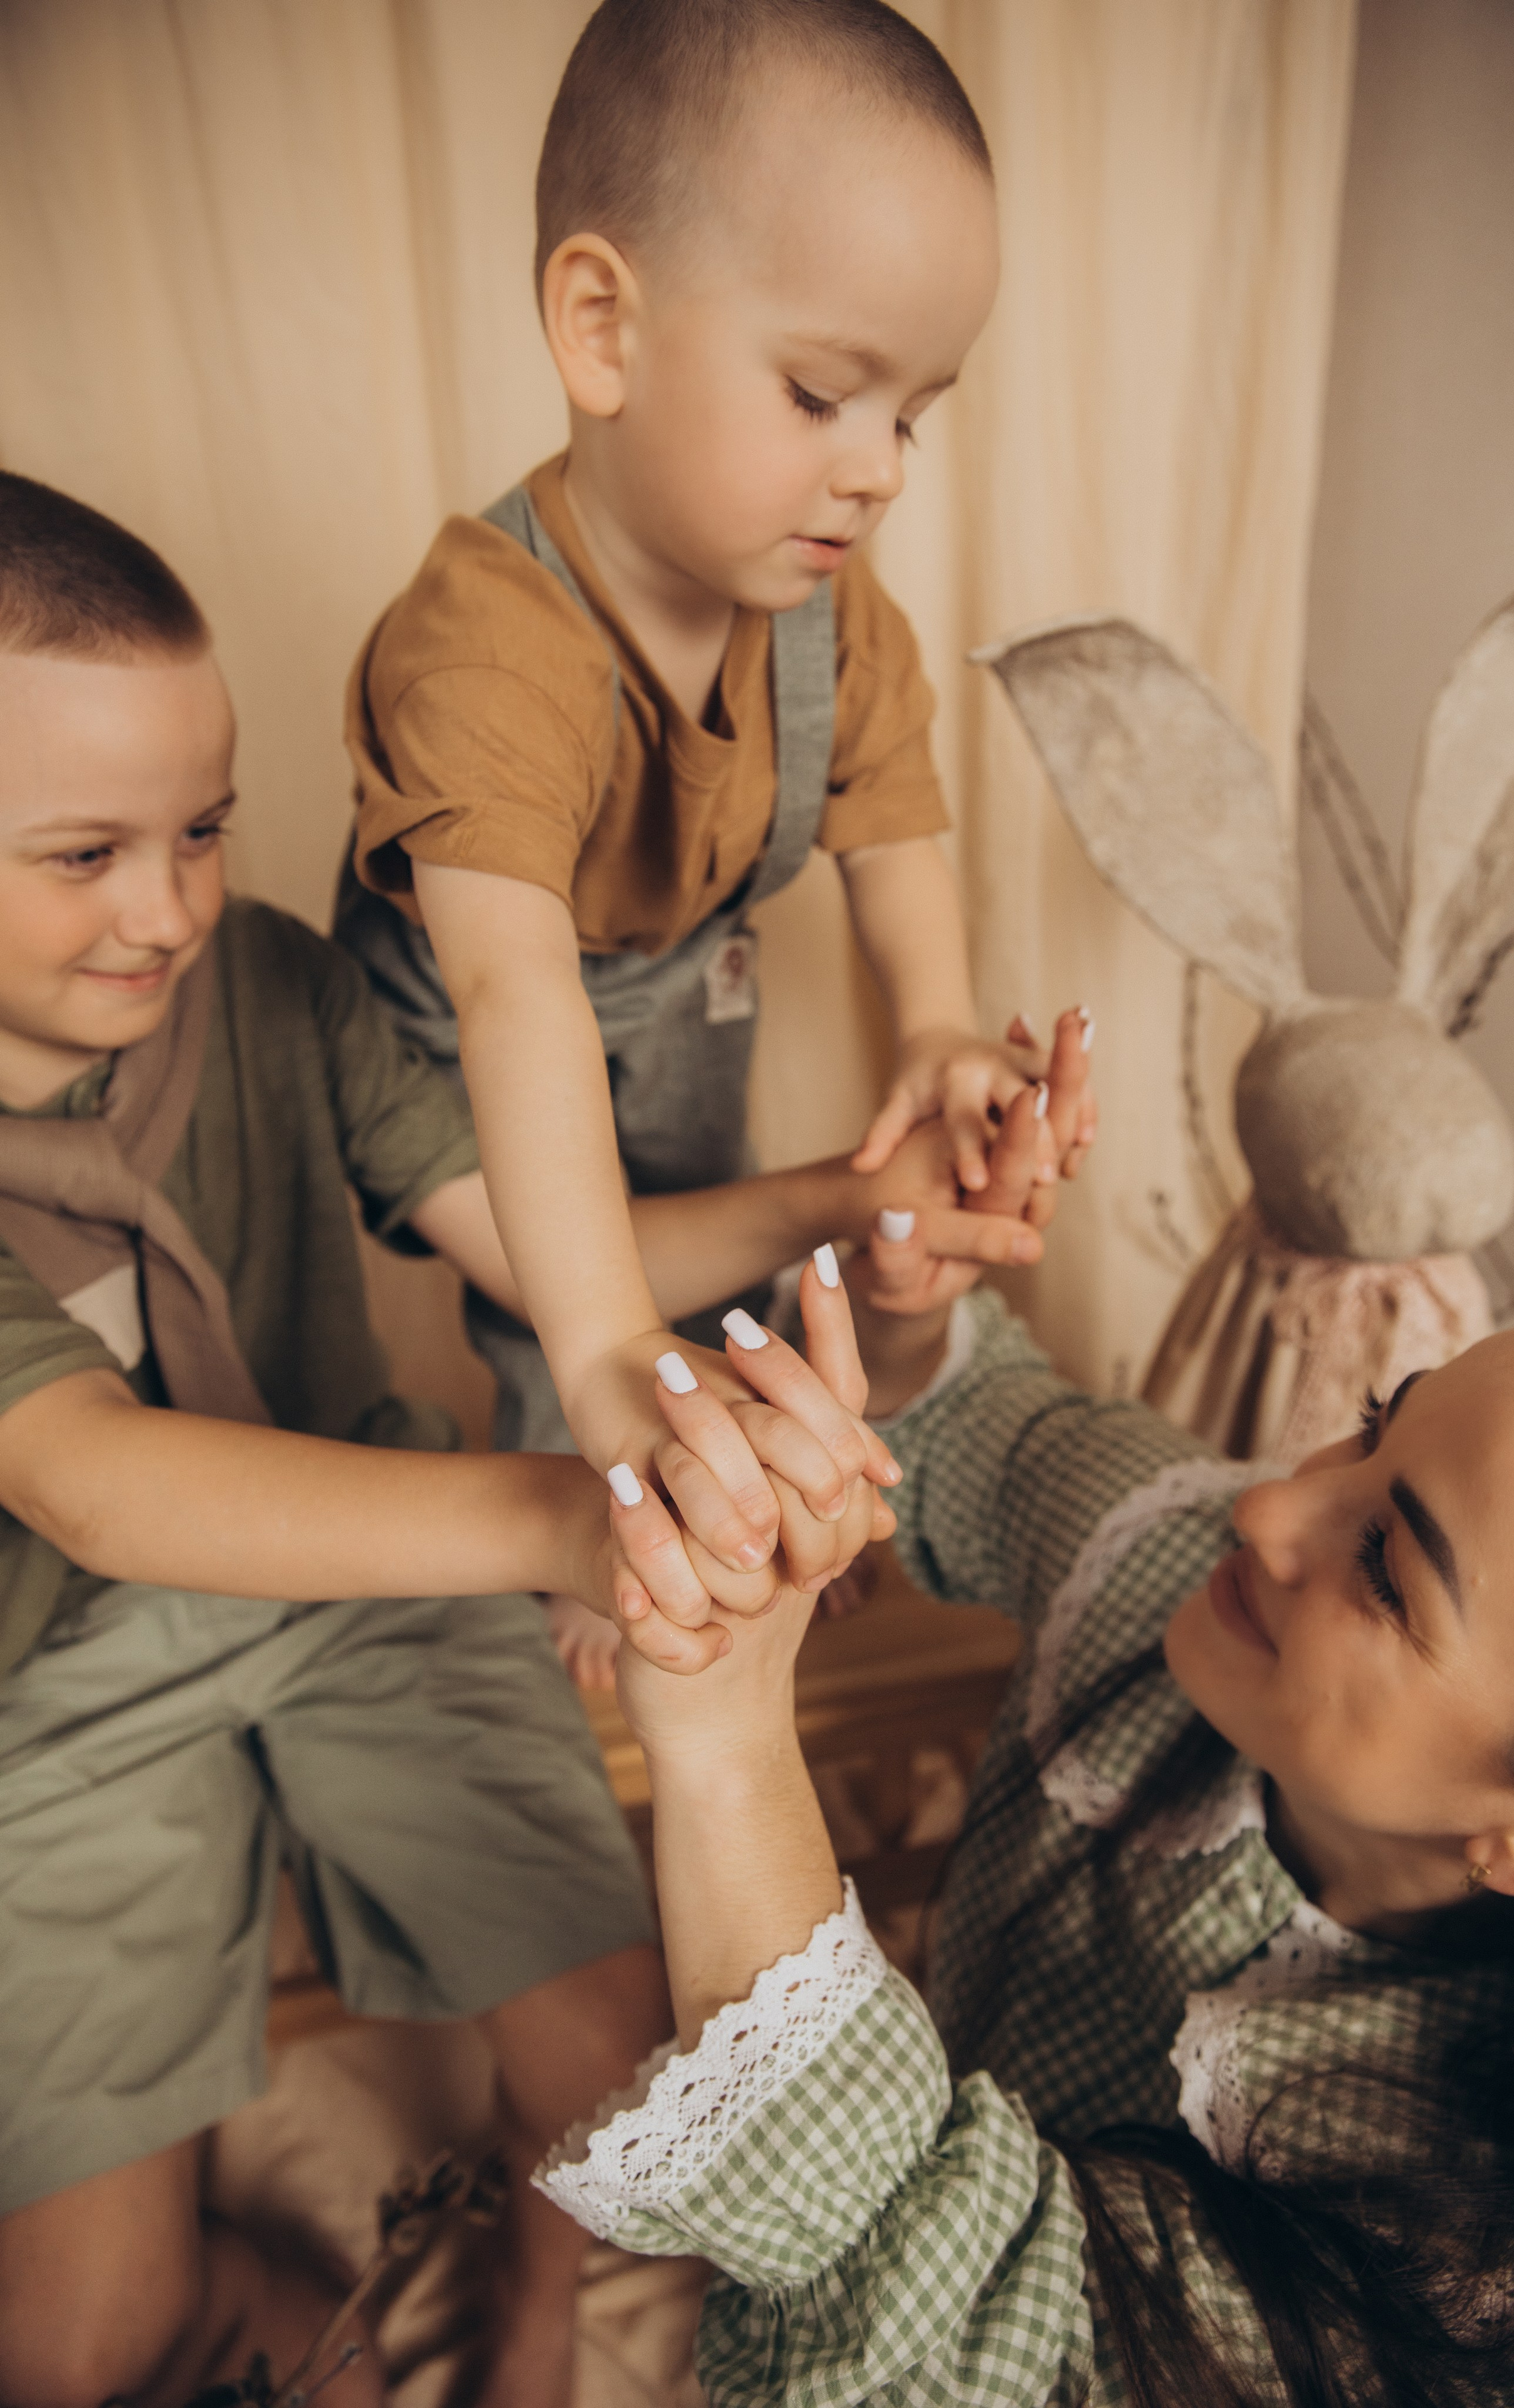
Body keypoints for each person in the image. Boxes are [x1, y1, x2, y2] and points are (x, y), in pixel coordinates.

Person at [0, 472, 1052, 2408]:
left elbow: (548, 1237)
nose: (168, 907)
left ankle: (533, 2303)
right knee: (69, 2355)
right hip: (57, 1672)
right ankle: (254, 2286)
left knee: (630, 2090)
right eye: (86, 854)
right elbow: (94, 1481)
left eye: (204, 829)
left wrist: (854, 1195)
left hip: (384, 1589)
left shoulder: (275, 987)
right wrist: (581, 1521)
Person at [539, 1088, 1514, 2402]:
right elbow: (1000, 1427)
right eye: (1376, 1420)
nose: (1270, 1510)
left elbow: (950, 2341)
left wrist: (728, 1751)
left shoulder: (1474, 2261)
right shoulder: (1176, 1554)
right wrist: (912, 1310)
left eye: (1386, 1569)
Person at [339, 0, 1096, 1674]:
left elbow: (894, 836)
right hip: (457, 1032)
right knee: (564, 1284)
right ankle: (589, 1517)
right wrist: (610, 1359)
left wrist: (938, 1027)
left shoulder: (828, 615)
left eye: (912, 414)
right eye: (822, 394)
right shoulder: (485, 650)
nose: (877, 471)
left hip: (679, 981)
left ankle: (731, 1471)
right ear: (601, 327)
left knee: (709, 1213)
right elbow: (514, 1004)